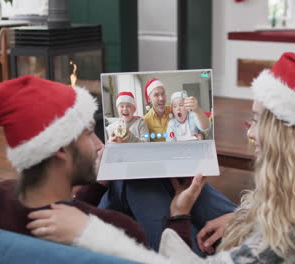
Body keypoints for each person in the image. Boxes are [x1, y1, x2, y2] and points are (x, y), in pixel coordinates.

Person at [28, 52, 295, 263]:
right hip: (240, 231)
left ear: (289, 142)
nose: (249, 132)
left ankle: (104, 195)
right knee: (152, 177)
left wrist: (176, 217)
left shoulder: (282, 244)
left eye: (255, 121)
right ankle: (110, 190)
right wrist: (246, 217)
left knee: (139, 183)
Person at [0, 76, 196, 251]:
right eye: (89, 134)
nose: (98, 144)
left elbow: (60, 207)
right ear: (61, 149)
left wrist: (99, 183)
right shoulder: (117, 230)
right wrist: (179, 216)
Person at [98, 77, 237, 254]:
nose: (161, 98)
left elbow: (200, 124)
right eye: (156, 95)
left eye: (163, 94)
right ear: (149, 99)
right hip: (157, 168)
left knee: (135, 182)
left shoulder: (174, 110)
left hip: (169, 169)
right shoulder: (146, 120)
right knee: (144, 181)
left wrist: (180, 214)